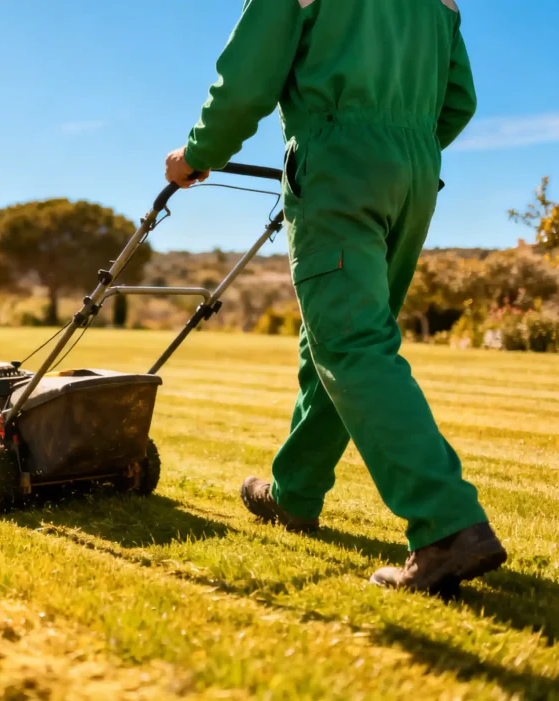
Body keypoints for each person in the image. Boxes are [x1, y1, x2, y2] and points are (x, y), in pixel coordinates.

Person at [164, 0, 507, 594]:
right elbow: (460, 101)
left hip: (337, 160)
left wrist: (196, 155)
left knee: (351, 343)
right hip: (414, 171)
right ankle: (294, 493)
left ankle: (446, 526)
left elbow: (246, 82)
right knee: (337, 335)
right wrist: (405, 146)